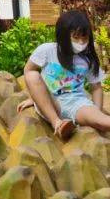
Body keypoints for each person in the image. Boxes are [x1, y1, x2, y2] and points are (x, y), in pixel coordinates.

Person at [17, 10, 107, 140]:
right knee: (33, 76)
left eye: (84, 37)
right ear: (64, 35)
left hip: (77, 103)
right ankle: (58, 124)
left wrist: (97, 110)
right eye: (76, 37)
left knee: (101, 121)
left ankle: (80, 123)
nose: (81, 42)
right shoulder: (47, 50)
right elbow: (29, 71)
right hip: (51, 103)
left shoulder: (88, 59)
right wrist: (35, 98)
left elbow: (96, 86)